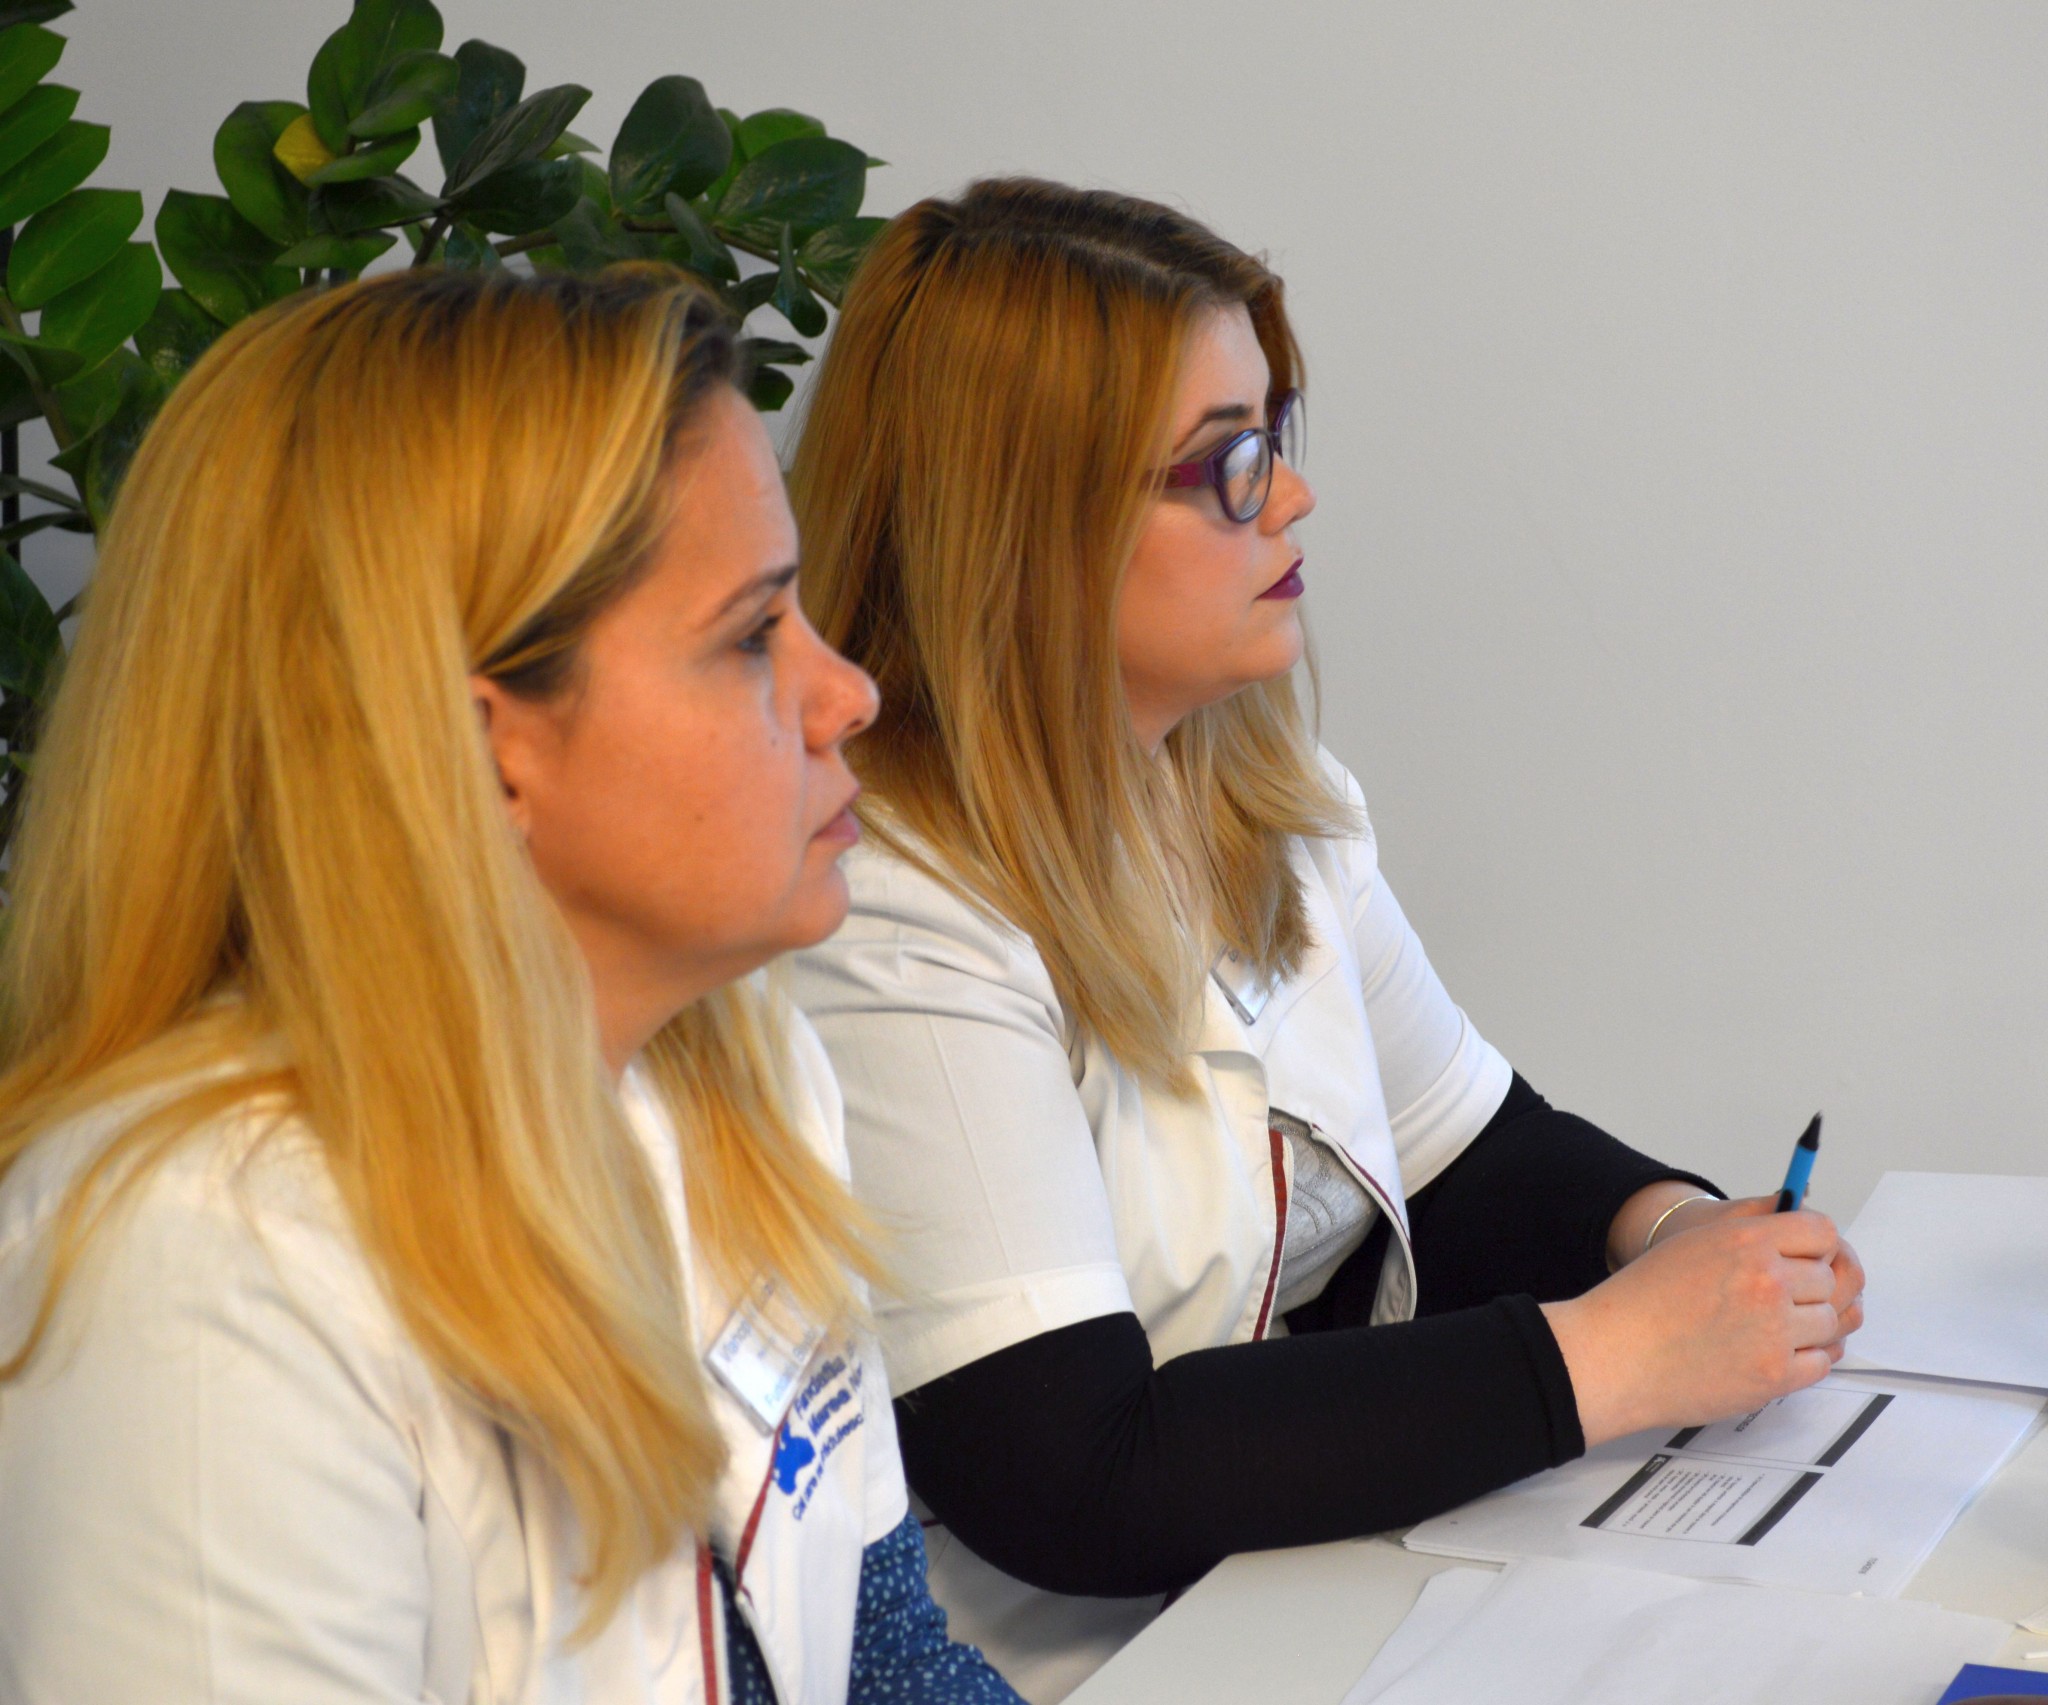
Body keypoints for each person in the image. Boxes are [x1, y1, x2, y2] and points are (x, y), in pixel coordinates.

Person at [782, 178, 1868, 1702]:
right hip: (1070, 1662)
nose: (1291, 498)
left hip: (1308, 1593)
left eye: (1276, 436)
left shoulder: (1264, 796)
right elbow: (1071, 1474)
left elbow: (1469, 1149)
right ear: (1028, 523)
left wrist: (1673, 1233)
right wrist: (1619, 1354)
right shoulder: (887, 906)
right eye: (1229, 461)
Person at [0, 267, 1020, 1705]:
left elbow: (881, 1662)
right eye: (752, 634)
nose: (848, 692)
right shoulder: (208, 1262)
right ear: (483, 750)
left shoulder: (737, 1068)